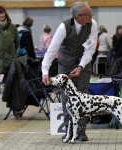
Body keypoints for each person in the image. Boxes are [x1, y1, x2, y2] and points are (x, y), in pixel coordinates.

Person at [42, 1, 97, 141]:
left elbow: (90, 50)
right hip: (65, 66)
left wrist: (80, 66)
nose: (92, 14)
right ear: (78, 16)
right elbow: (51, 50)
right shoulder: (63, 27)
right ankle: (68, 129)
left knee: (84, 98)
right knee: (67, 99)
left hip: (83, 66)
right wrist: (45, 72)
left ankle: (81, 131)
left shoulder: (93, 25)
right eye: (89, 13)